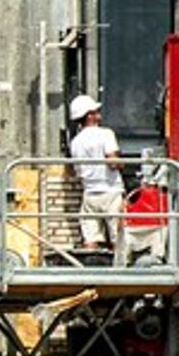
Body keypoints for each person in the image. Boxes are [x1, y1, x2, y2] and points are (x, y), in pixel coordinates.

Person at [68, 93, 123, 257]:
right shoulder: (105, 134)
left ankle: (89, 271)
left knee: (90, 238)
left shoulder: (76, 141)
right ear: (89, 115)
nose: (99, 113)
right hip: (111, 191)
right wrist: (122, 163)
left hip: (90, 194)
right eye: (95, 110)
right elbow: (113, 162)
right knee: (117, 237)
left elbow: (78, 171)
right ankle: (119, 273)